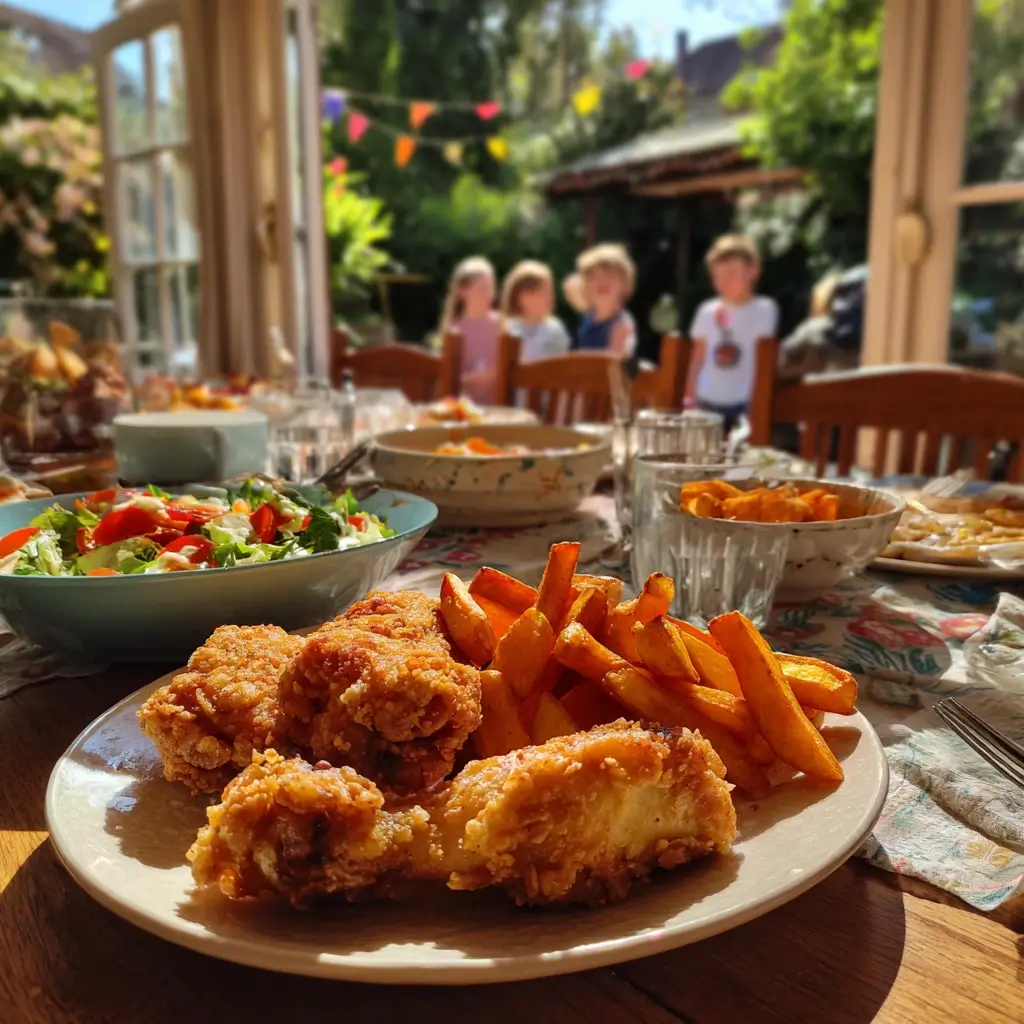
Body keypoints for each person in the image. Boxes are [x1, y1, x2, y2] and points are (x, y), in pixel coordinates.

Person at [686, 234, 778, 433]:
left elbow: (764, 357)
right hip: (707, 401)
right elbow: (697, 358)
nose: (724, 282)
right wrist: (689, 397)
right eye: (718, 276)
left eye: (731, 273)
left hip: (746, 401)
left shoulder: (765, 309)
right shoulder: (706, 311)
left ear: (752, 270)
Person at [440, 256, 501, 405]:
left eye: (490, 287)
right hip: (464, 407)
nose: (487, 294)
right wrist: (470, 379)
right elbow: (445, 374)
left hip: (499, 406)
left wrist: (492, 376)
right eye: (481, 288)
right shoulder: (453, 329)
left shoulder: (503, 325)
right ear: (462, 291)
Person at [572, 244, 637, 357]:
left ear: (624, 283)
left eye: (609, 276)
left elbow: (612, 366)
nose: (601, 282)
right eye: (593, 278)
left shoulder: (621, 325)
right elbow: (571, 285)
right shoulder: (589, 316)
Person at [500, 260, 571, 361]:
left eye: (549, 291)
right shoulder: (507, 331)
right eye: (541, 293)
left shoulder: (555, 330)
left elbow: (562, 367)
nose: (548, 297)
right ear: (521, 297)